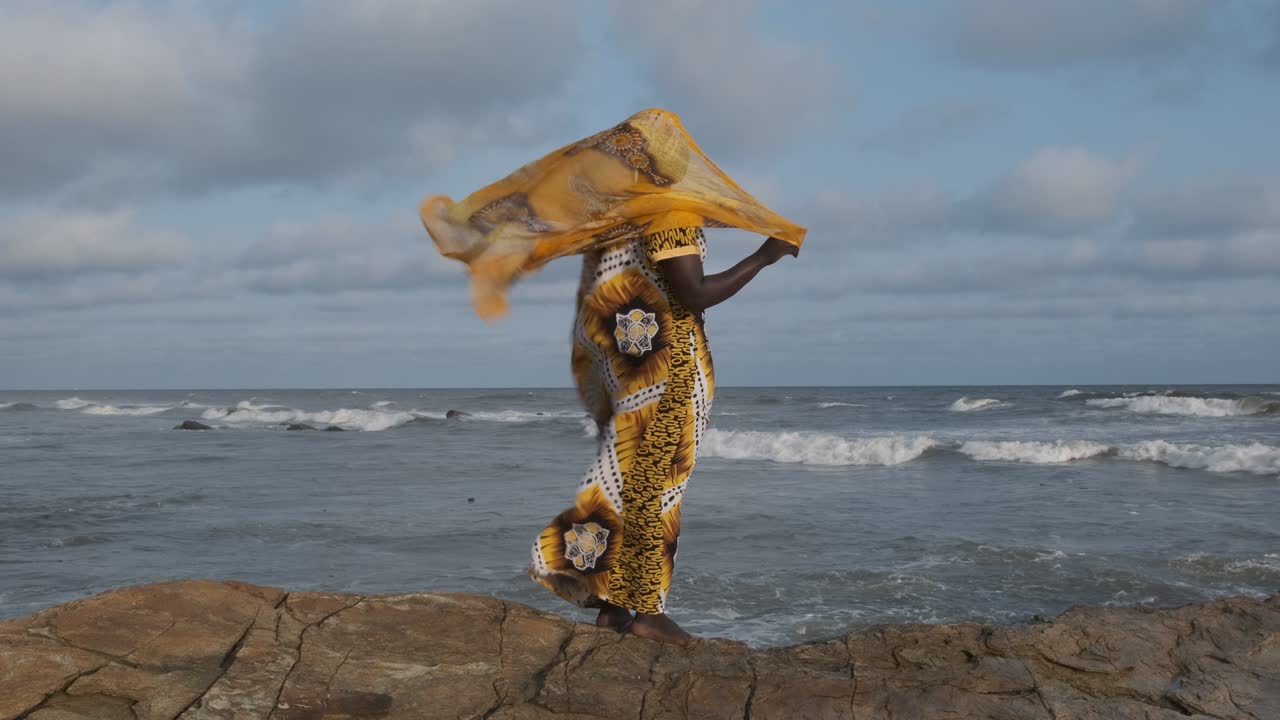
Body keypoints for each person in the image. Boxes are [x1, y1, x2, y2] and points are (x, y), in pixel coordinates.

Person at [419, 109, 805, 647]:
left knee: (628, 482)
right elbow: (692, 295)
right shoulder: (671, 216)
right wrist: (764, 256)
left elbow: (611, 304)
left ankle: (612, 607)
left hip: (637, 371)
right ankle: (646, 611)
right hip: (669, 375)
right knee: (655, 490)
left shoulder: (619, 219)